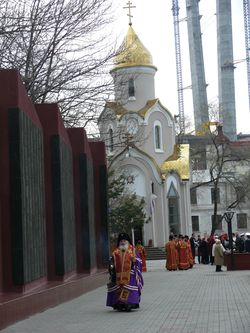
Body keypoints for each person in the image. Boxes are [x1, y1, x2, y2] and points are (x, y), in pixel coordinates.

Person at [106, 233, 144, 311]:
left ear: (128, 241)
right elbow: (111, 261)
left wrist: (134, 261)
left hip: (130, 274)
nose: (123, 242)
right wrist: (111, 267)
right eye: (121, 241)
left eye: (124, 240)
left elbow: (139, 261)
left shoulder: (133, 250)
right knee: (118, 288)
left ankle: (129, 304)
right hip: (118, 275)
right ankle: (119, 304)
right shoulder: (115, 251)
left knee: (128, 289)